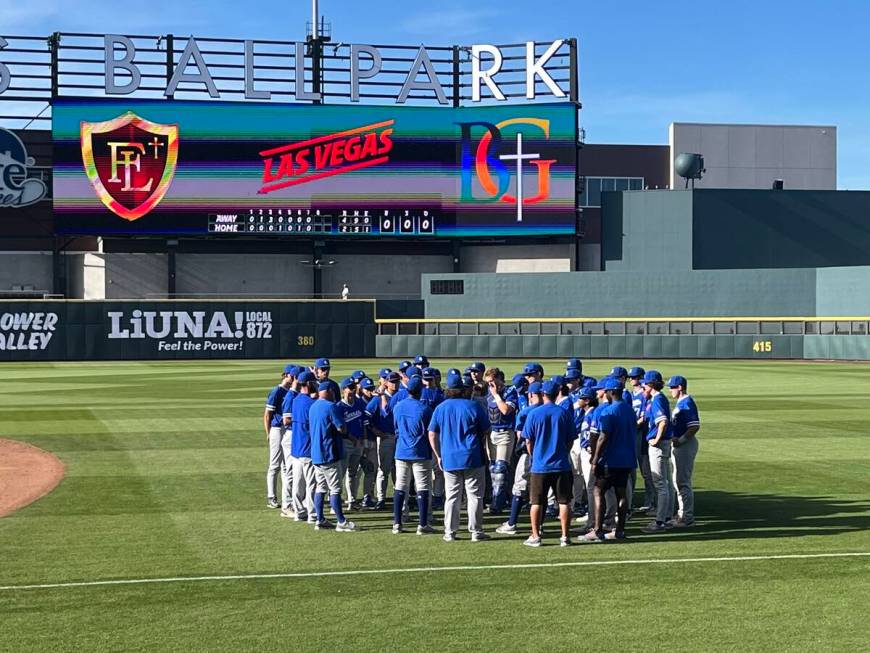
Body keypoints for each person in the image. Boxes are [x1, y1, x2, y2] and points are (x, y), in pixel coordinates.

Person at [428, 372, 492, 542]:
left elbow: (432, 434)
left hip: (449, 458)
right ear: (463, 390)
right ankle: (476, 532)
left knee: (452, 496)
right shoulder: (473, 406)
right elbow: (487, 429)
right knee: (475, 496)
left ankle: (450, 532)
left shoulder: (441, 408)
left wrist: (438, 455)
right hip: (473, 456)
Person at [581, 377, 638, 542]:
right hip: (627, 459)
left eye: (606, 391)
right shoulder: (629, 409)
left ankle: (598, 530)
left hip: (610, 459)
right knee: (622, 494)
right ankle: (619, 530)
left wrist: (595, 458)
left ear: (611, 392)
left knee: (598, 491)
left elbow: (603, 437)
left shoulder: (608, 411)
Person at [521, 379, 577, 547]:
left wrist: (534, 455)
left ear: (543, 394)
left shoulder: (534, 413)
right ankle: (565, 537)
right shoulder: (563, 413)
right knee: (564, 501)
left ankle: (536, 536)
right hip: (561, 464)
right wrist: (562, 452)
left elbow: (528, 441)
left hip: (540, 465)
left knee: (536, 502)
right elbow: (570, 440)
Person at [309, 382, 357, 531]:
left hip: (316, 454)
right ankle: (341, 522)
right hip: (329, 452)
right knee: (335, 489)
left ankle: (320, 519)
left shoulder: (313, 406)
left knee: (321, 487)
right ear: (329, 391)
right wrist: (351, 436)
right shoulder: (331, 407)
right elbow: (341, 428)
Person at [496, 381, 543, 535]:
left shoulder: (526, 412)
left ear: (530, 395)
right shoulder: (556, 410)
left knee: (519, 487)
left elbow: (521, 437)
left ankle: (512, 523)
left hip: (529, 454)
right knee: (541, 491)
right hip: (548, 455)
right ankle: (539, 526)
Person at [392, 376, 436, 535]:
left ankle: (397, 523)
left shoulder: (397, 407)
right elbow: (429, 432)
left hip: (401, 450)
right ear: (420, 390)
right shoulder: (425, 409)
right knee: (422, 487)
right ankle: (423, 524)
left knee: (400, 486)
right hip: (420, 451)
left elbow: (395, 428)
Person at [641, 370, 674, 533]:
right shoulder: (656, 399)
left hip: (659, 445)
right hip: (663, 444)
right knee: (665, 483)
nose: (642, 388)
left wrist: (656, 439)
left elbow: (662, 422)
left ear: (651, 385)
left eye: (644, 384)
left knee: (660, 483)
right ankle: (666, 518)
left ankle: (661, 521)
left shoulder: (657, 399)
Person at [484, 367, 517, 514]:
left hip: (505, 432)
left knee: (501, 469)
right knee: (492, 468)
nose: (489, 385)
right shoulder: (487, 394)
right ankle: (495, 497)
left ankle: (498, 503)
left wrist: (496, 395)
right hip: (492, 433)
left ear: (498, 379)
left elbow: (504, 410)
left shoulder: (509, 392)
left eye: (491, 381)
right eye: (488, 382)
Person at [668, 375, 700, 527]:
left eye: (672, 387)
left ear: (680, 387)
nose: (670, 390)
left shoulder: (687, 403)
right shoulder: (681, 403)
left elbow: (694, 426)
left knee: (683, 481)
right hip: (681, 445)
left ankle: (687, 517)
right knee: (678, 480)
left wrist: (681, 440)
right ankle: (682, 514)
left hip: (685, 445)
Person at [289, 371, 319, 522]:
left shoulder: (295, 400)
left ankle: (299, 512)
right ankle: (312, 514)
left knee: (297, 484)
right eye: (313, 382)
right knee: (311, 484)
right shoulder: (311, 404)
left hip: (295, 449)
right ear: (308, 384)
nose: (315, 384)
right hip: (308, 449)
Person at [264, 364, 294, 509]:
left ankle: (286, 497)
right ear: (286, 375)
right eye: (292, 376)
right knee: (275, 464)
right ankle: (271, 496)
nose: (294, 378)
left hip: (287, 429)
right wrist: (268, 432)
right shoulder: (277, 391)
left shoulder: (291, 392)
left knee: (285, 466)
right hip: (277, 429)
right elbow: (267, 414)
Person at [338, 376, 368, 511]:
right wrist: (352, 438)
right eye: (350, 387)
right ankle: (336, 501)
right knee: (341, 473)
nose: (352, 389)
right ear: (343, 390)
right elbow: (339, 429)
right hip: (345, 443)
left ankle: (352, 500)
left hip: (359, 443)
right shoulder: (339, 407)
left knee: (353, 473)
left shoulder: (359, 403)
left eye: (353, 387)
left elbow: (364, 424)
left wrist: (363, 440)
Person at [629, 366, 655, 513]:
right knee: (630, 469)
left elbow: (644, 417)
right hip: (632, 435)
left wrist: (632, 425)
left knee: (646, 471)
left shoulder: (645, 396)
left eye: (635, 377)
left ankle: (650, 501)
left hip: (642, 436)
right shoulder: (631, 395)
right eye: (631, 377)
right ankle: (630, 500)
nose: (633, 380)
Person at [373, 370, 401, 510]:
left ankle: (398, 496)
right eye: (391, 381)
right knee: (383, 470)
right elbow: (367, 416)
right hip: (387, 437)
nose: (394, 384)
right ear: (387, 383)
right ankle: (381, 498)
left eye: (396, 381)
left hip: (400, 438)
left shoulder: (402, 396)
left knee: (399, 470)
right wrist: (375, 431)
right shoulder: (379, 398)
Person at [278, 365, 301, 517]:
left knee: (296, 472)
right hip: (290, 436)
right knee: (291, 473)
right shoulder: (290, 396)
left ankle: (295, 502)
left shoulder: (297, 394)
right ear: (294, 378)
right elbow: (286, 420)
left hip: (295, 435)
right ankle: (287, 506)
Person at [357, 377, 380, 508]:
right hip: (361, 441)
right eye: (367, 389)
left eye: (371, 388)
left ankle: (367, 496)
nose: (370, 391)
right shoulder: (359, 403)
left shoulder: (374, 401)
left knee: (371, 470)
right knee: (356, 472)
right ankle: (351, 499)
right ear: (361, 389)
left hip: (372, 440)